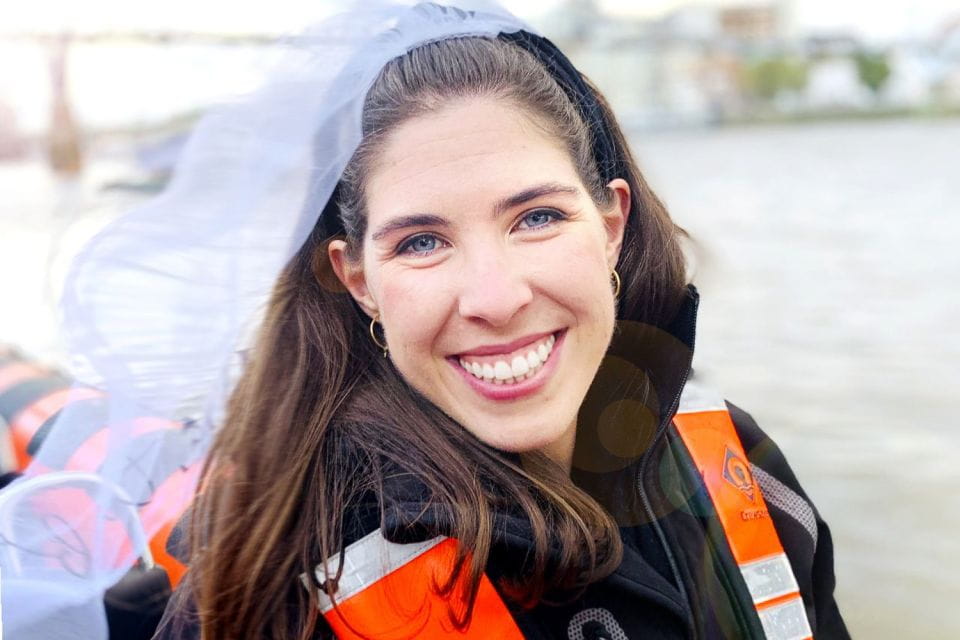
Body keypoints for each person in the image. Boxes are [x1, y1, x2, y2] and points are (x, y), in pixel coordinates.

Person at [0, 2, 849, 639]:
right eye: (422, 242)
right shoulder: (279, 579)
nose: (494, 295)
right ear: (358, 279)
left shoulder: (743, 462)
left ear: (612, 222)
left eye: (537, 218)